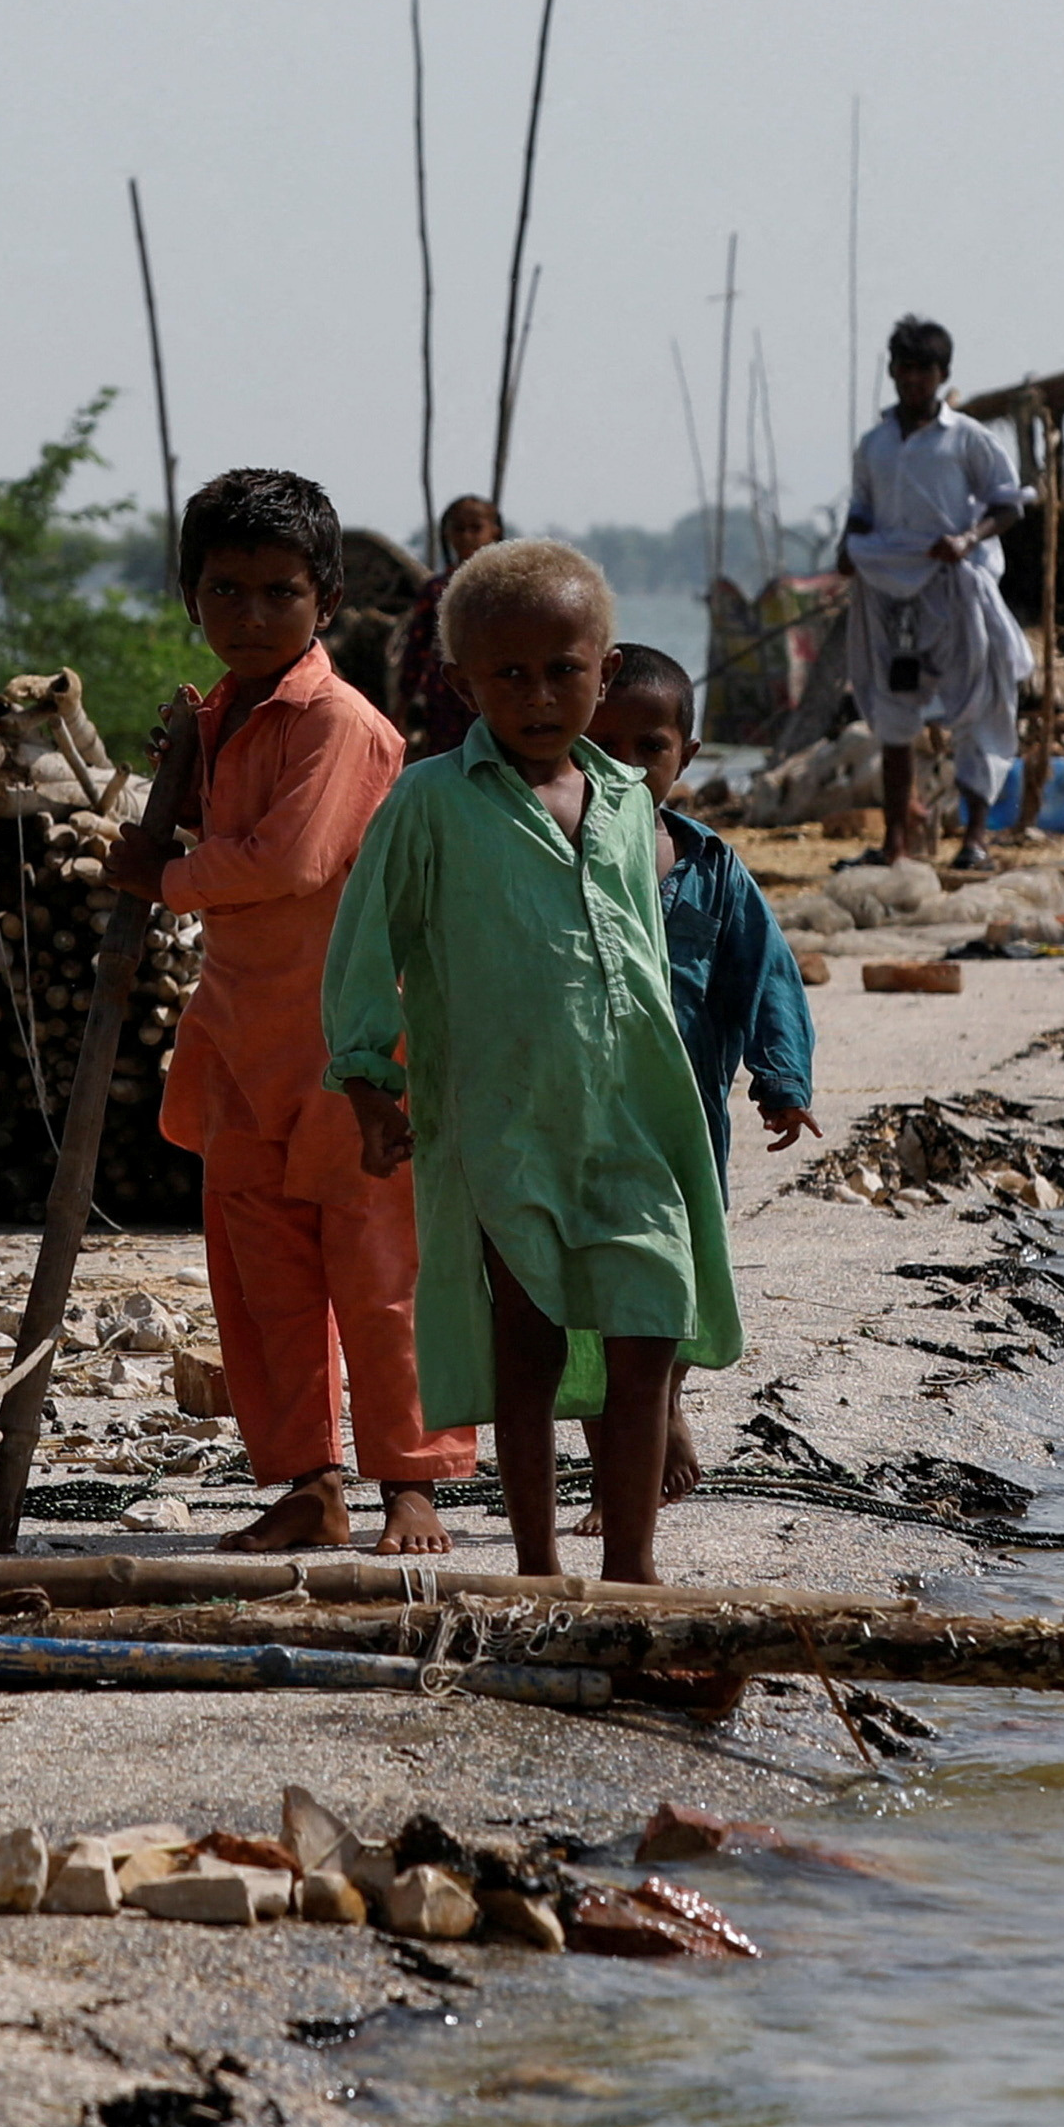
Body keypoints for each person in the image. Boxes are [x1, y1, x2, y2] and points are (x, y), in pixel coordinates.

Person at [326, 542, 743, 1591]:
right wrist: (371, 1083)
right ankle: (536, 1563)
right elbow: (366, 947)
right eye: (507, 675)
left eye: (563, 670)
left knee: (649, 1328)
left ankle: (633, 1569)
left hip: (633, 1117)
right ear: (463, 684)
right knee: (531, 1337)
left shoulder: (625, 804)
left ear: (603, 673)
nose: (538, 695)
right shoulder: (430, 803)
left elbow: (641, 954)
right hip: (504, 1122)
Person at [110, 468, 471, 1560]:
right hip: (242, 1037)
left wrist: (159, 875)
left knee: (378, 1271)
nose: (249, 616)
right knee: (261, 1278)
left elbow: (295, 859)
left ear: (325, 598)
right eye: (225, 592)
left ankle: (411, 1481)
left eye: (277, 593)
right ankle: (309, 1482)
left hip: (355, 1046)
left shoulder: (340, 723)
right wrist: (182, 768)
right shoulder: (217, 717)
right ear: (190, 597)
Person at [581, 647, 814, 1506]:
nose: (626, 767)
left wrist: (782, 1078)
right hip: (579, 1114)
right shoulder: (547, 853)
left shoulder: (712, 868)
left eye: (650, 747)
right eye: (603, 743)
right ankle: (617, 1466)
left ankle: (667, 1400)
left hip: (683, 1125)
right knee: (594, 1292)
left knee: (669, 1282)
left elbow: (768, 974)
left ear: (689, 753)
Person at [836, 318, 1030, 870]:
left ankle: (975, 839)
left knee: (978, 707)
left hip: (954, 586)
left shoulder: (967, 437)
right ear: (893, 373)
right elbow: (862, 510)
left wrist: (967, 538)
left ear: (942, 375)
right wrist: (847, 548)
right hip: (887, 592)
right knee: (893, 715)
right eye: (905, 368)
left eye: (925, 370)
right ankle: (896, 843)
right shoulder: (874, 445)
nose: (914, 379)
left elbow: (1009, 504)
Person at [388, 492, 504, 752]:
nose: (467, 536)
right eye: (459, 529)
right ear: (448, 535)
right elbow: (416, 650)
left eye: (476, 528)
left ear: (494, 531)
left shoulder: (506, 588)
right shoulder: (437, 590)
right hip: (446, 700)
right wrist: (402, 704)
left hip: (499, 695)